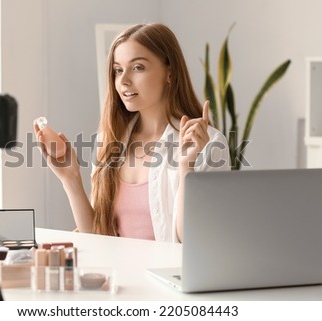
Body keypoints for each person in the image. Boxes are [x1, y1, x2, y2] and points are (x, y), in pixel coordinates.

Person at [34, 23, 230, 243]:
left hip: (168, 276)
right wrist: (70, 178)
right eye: (118, 70)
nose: (124, 80)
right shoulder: (108, 141)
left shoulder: (209, 143)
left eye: (138, 67)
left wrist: (186, 166)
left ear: (170, 73)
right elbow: (98, 238)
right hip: (118, 275)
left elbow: (193, 243)